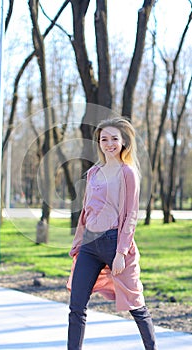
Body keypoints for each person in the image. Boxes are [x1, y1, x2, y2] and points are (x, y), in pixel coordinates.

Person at [67, 117, 157, 350]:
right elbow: (86, 211)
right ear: (99, 142)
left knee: (136, 303)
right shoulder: (93, 172)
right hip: (90, 244)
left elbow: (131, 215)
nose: (109, 144)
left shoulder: (128, 173)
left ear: (124, 142)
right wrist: (78, 242)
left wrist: (120, 252)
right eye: (104, 139)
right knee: (76, 306)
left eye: (114, 139)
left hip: (114, 242)